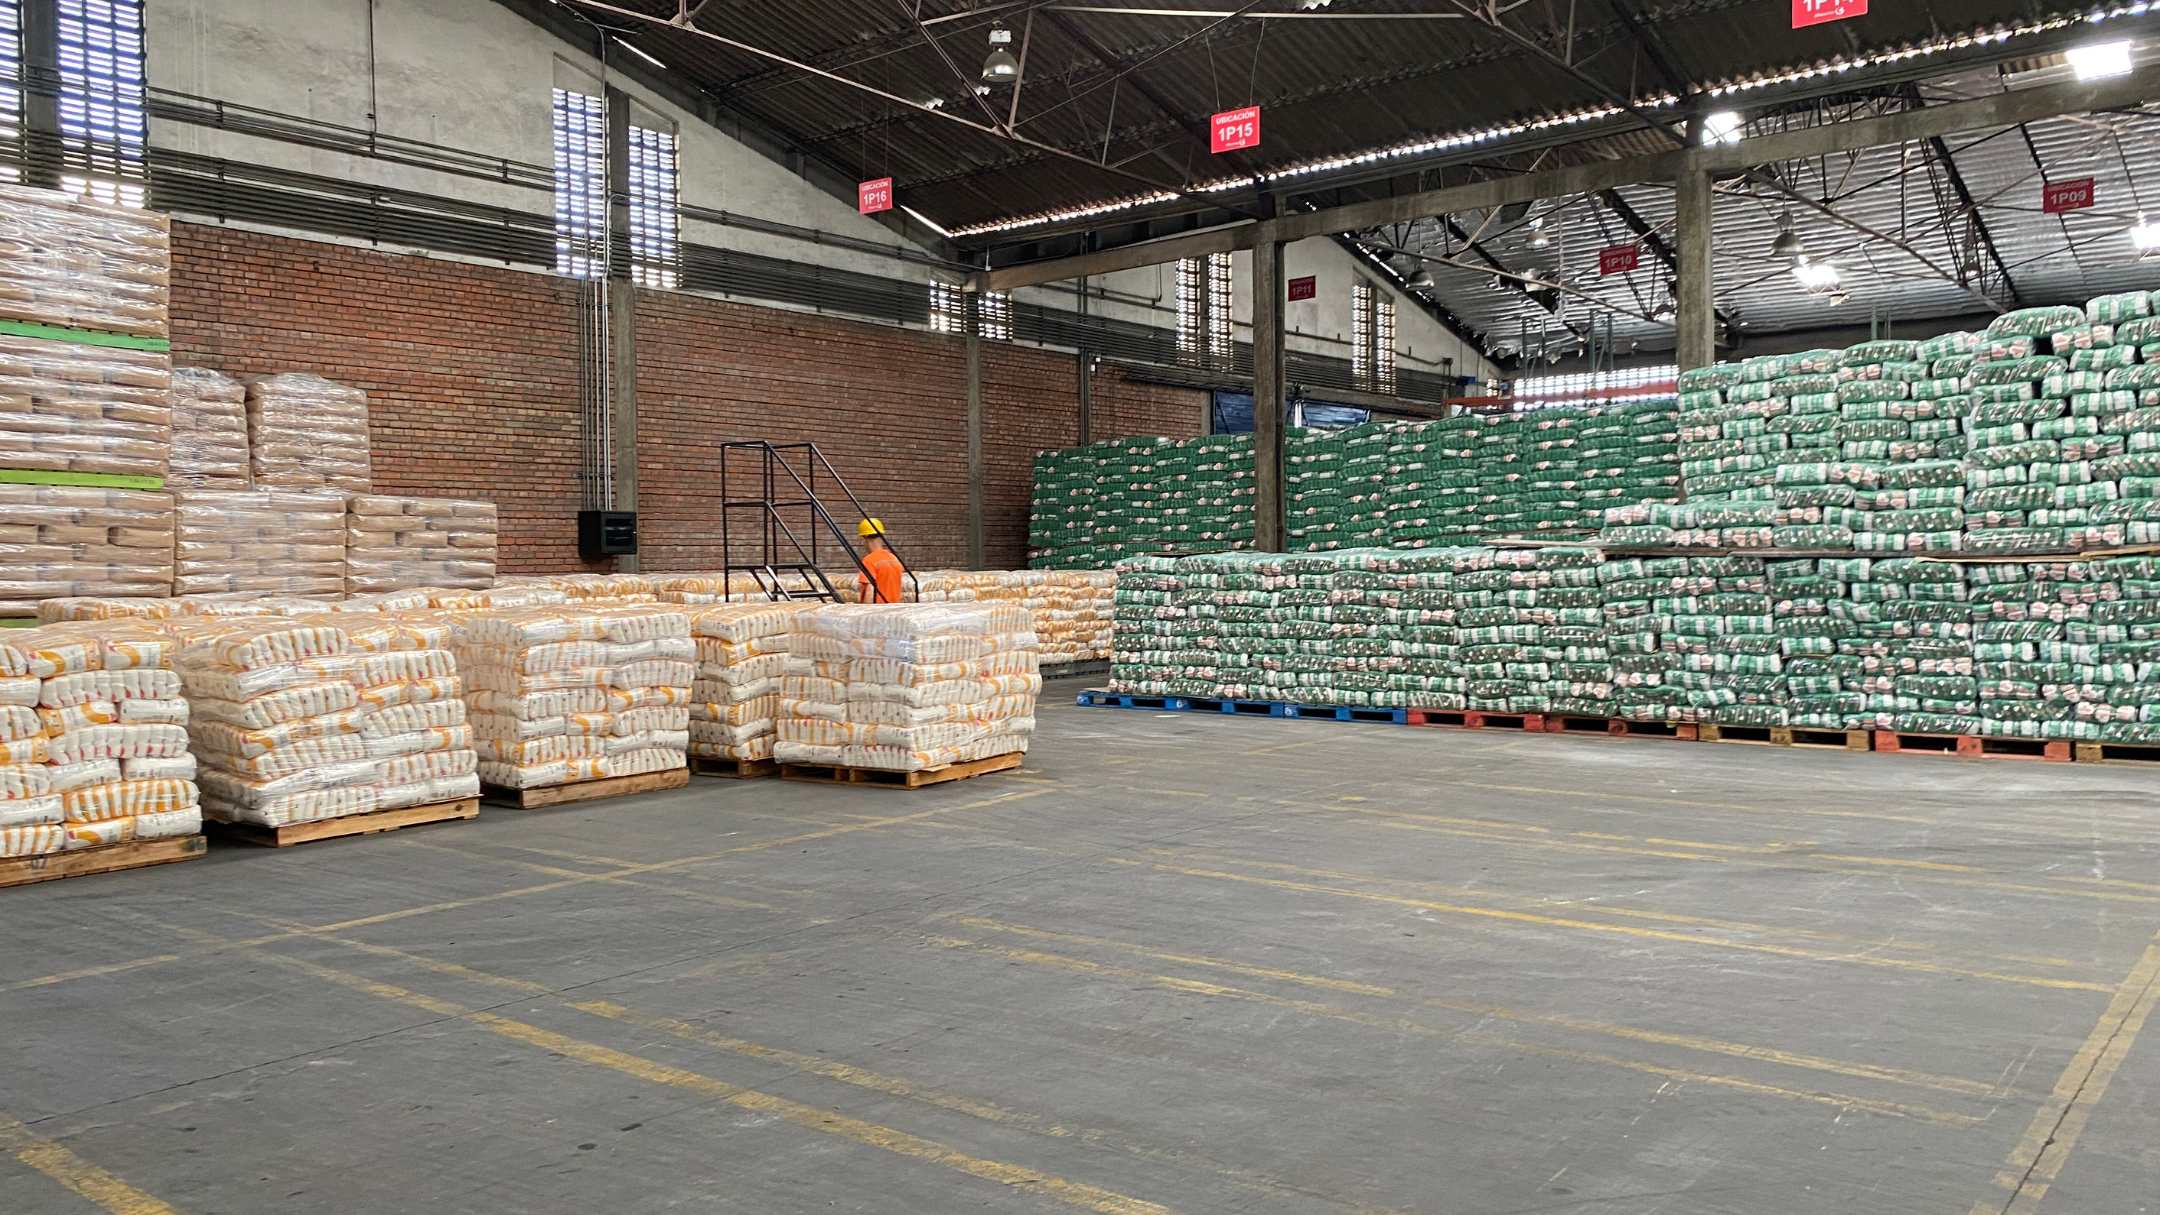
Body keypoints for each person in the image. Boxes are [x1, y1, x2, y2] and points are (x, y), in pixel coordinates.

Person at [855, 518, 907, 604]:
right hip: (895, 608)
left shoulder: (869, 561)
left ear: (865, 538)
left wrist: (864, 611)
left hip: (878, 610)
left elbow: (869, 592)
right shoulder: (894, 559)